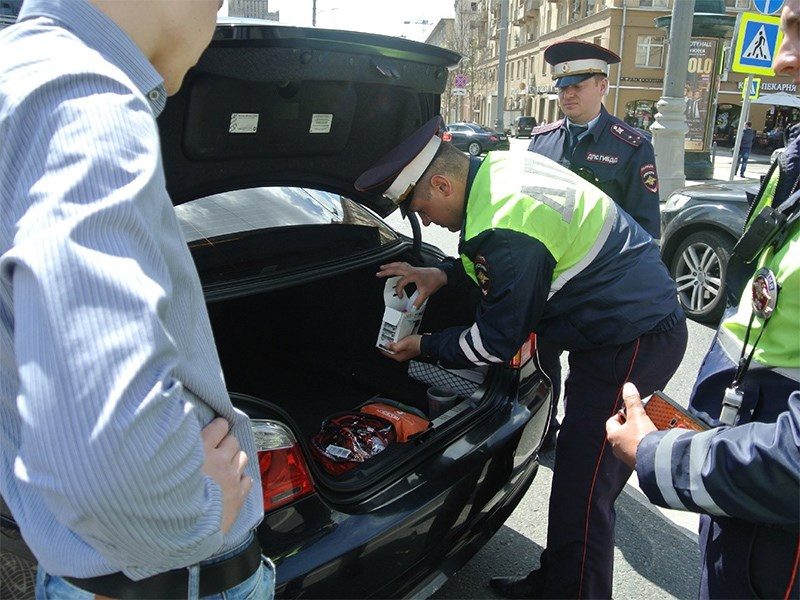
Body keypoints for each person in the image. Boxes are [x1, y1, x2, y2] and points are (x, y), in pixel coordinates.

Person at [0, 1, 274, 598]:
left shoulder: (15, 80)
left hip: (84, 566)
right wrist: (193, 517)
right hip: (173, 579)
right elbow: (101, 448)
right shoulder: (83, 99)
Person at [354, 116, 688, 599]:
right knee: (578, 468)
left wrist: (423, 346)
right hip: (616, 324)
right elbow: (511, 271)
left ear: (443, 183)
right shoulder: (496, 170)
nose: (423, 220)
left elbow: (493, 343)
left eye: (419, 206)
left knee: (584, 481)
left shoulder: (505, 225)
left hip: (633, 337)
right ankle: (558, 580)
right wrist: (444, 274)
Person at [606, 4, 800, 597]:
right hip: (743, 482)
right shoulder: (793, 161)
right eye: (787, 28)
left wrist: (662, 455)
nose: (784, 57)